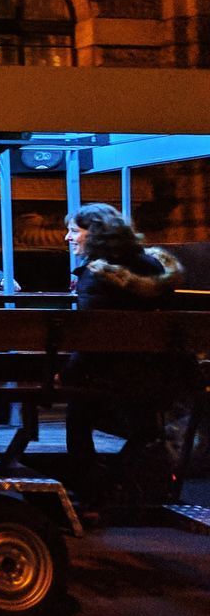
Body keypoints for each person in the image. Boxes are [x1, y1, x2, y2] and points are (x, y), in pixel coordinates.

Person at [62, 203, 197, 503]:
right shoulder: (154, 268)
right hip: (156, 374)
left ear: (95, 235)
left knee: (78, 411)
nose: (68, 238)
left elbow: (91, 340)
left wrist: (66, 373)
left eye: (74, 231)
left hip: (110, 377)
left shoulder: (96, 276)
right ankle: (117, 482)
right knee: (144, 426)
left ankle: (91, 490)